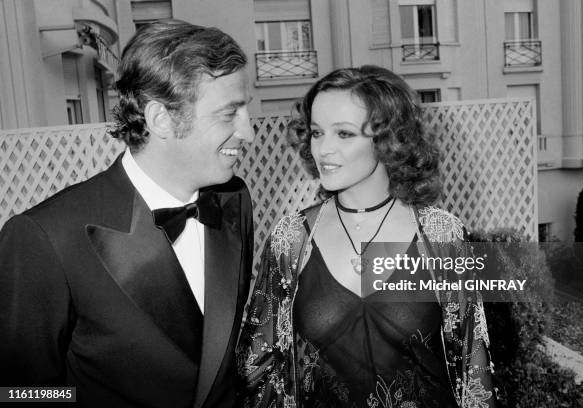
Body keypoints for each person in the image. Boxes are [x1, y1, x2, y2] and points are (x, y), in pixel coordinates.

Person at [0, 20, 254, 407]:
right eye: (229, 114)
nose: (248, 131)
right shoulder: (45, 237)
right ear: (161, 119)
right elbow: (20, 393)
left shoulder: (234, 201)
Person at [237, 66, 495, 407]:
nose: (323, 149)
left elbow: (472, 365)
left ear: (389, 139)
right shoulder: (291, 239)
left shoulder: (441, 236)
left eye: (343, 134)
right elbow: (259, 367)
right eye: (316, 133)